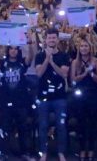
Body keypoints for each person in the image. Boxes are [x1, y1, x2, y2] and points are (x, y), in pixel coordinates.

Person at [35, 28, 70, 161]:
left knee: (61, 125)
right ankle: (43, 152)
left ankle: (61, 152)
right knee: (43, 125)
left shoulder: (64, 56)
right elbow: (39, 74)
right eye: (49, 38)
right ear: (46, 40)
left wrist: (52, 62)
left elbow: (64, 74)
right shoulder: (39, 55)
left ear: (57, 39)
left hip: (59, 96)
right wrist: (46, 59)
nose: (51, 40)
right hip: (43, 97)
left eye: (53, 38)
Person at [70, 36, 97, 161]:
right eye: (82, 46)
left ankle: (92, 149)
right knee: (81, 124)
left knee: (93, 123)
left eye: (86, 46)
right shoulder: (75, 62)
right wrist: (84, 73)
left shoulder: (96, 61)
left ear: (90, 48)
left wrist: (91, 73)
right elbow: (73, 80)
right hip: (80, 95)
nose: (84, 48)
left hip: (93, 94)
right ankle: (82, 148)